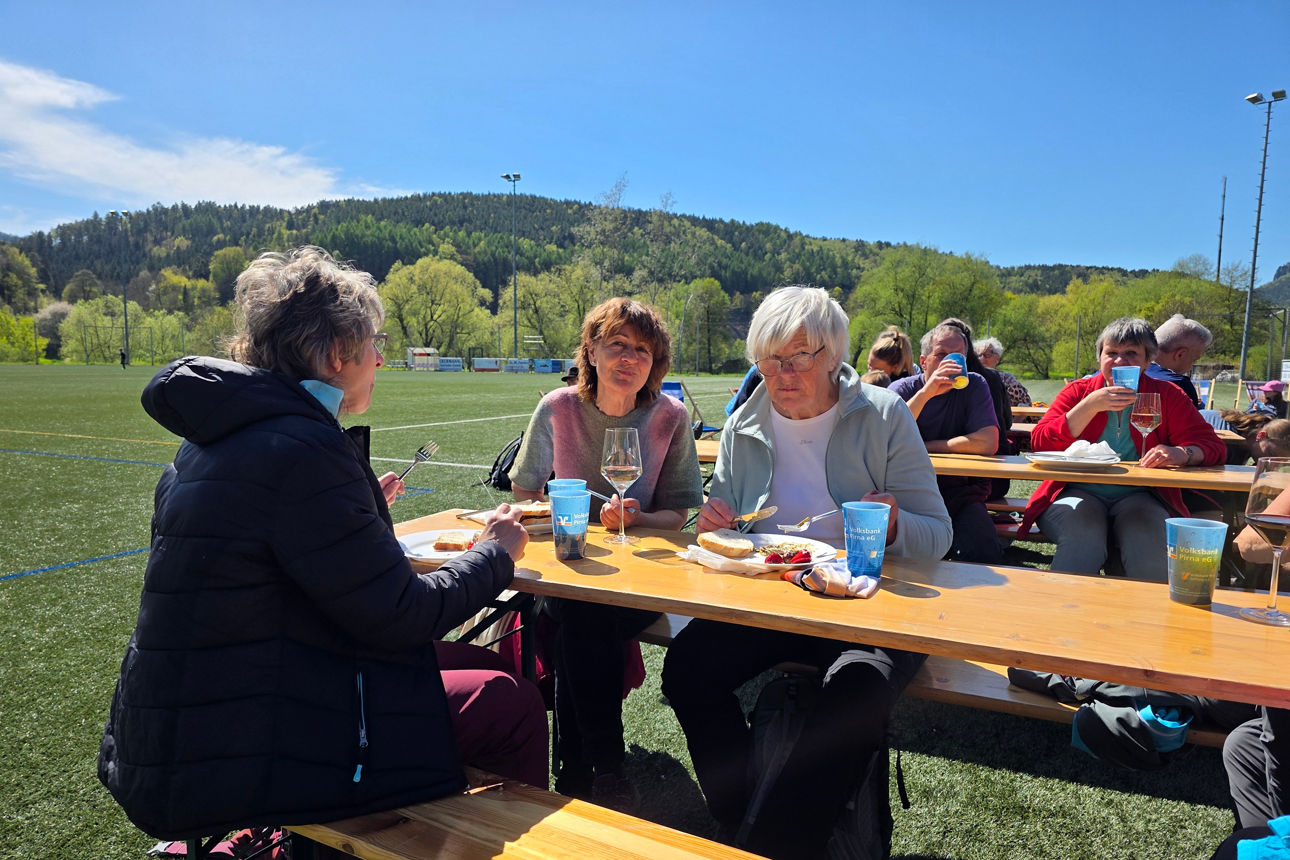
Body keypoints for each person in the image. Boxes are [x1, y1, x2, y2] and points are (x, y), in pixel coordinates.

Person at [97, 247, 547, 842]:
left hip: (198, 723)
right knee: (510, 700)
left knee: (484, 664)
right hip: (248, 743)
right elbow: (403, 615)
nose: (381, 359)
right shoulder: (304, 450)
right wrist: (494, 551)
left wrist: (358, 515)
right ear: (339, 354)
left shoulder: (216, 439)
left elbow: (276, 566)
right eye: (374, 345)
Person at [661, 286, 952, 860]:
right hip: (778, 594)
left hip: (871, 598)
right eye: (769, 360)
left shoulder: (883, 414)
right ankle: (745, 816)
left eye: (799, 357)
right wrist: (715, 525)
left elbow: (938, 535)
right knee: (688, 667)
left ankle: (771, 843)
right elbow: (730, 530)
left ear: (834, 354)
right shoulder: (744, 424)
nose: (781, 373)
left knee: (856, 691)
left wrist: (893, 527)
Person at [509, 297, 704, 810]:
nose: (629, 357)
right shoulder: (558, 407)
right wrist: (573, 514)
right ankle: (604, 771)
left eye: (642, 349)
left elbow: (678, 515)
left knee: (581, 617)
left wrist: (638, 519)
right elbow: (525, 496)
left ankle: (582, 769)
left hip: (644, 579)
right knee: (582, 609)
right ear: (591, 350)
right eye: (617, 344)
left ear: (654, 363)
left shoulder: (670, 416)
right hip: (570, 568)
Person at [1018, 317, 1226, 580]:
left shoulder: (1167, 395)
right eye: (1112, 353)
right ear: (1100, 358)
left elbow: (1212, 446)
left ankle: (1149, 616)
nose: (1119, 361)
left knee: (1149, 539)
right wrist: (1090, 406)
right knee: (1083, 535)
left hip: (1142, 495)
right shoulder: (1079, 392)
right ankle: (1065, 614)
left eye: (1131, 353)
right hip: (1075, 489)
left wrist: (1182, 453)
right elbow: (1040, 442)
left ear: (1148, 361)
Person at [889, 322, 1004, 563]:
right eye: (941, 355)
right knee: (902, 561)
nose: (949, 362)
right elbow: (885, 435)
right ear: (923, 361)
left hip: (960, 493)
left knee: (985, 554)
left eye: (957, 356)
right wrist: (927, 393)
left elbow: (987, 442)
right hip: (907, 493)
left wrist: (925, 445)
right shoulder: (902, 389)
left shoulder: (974, 385)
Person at [1146, 314, 1211, 409]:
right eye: (1193, 360)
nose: (1190, 367)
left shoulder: (1129, 375)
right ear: (1180, 354)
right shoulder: (1179, 384)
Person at [975, 336, 1032, 406]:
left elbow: (1026, 405)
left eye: (987, 355)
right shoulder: (970, 378)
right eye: (978, 355)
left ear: (997, 358)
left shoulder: (1007, 380)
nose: (982, 359)